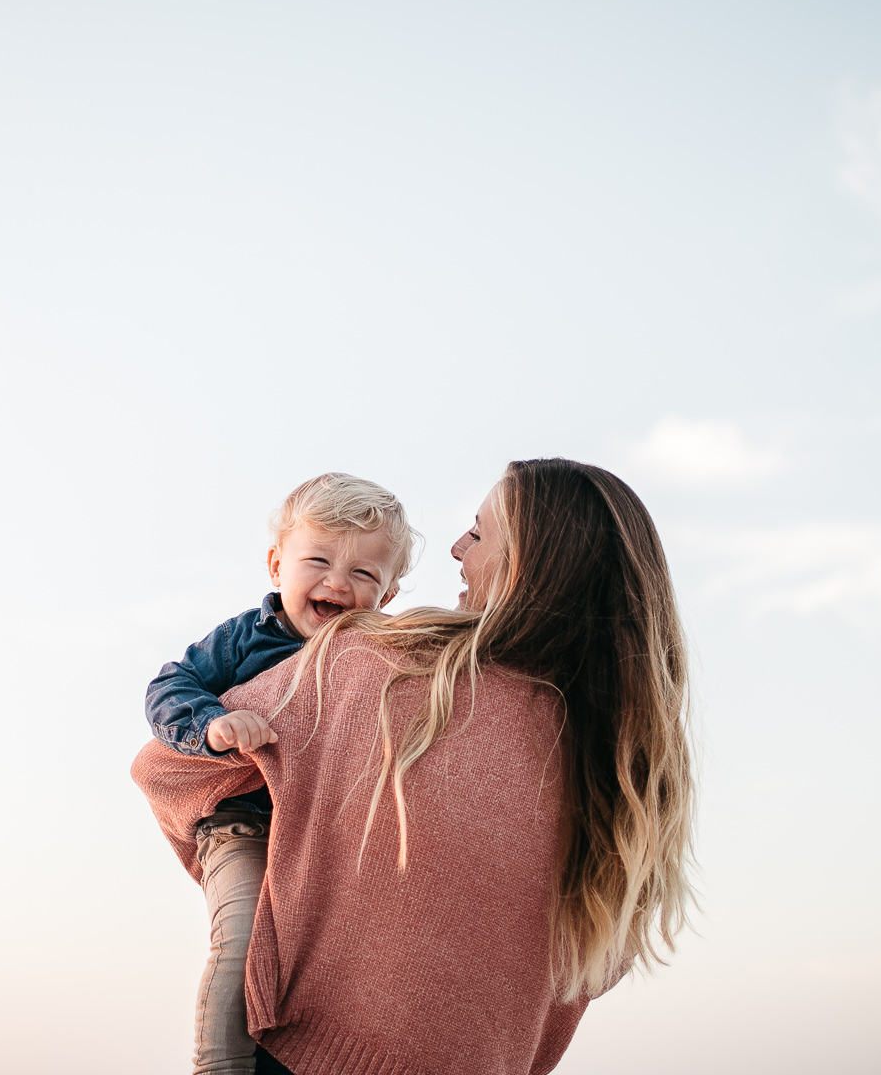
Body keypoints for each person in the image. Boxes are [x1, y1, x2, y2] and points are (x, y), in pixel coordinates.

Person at [133, 458, 695, 1075]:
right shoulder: (629, 779)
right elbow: (586, 973)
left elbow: (169, 769)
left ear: (531, 563)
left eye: (478, 534)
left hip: (309, 1055)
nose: (456, 548)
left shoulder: (378, 668)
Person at [144, 473, 420, 1075]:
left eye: (364, 574)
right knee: (242, 944)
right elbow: (169, 684)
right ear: (276, 565)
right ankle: (221, 1066)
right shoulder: (250, 634)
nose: (337, 584)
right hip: (243, 828)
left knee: (325, 972)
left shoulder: (383, 655)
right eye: (317, 561)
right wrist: (214, 723)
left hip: (323, 843)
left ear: (390, 593)